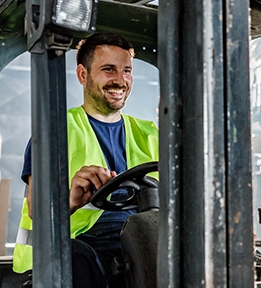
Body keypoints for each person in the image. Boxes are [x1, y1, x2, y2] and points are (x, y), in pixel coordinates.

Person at [12, 33, 159, 287]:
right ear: (83, 75)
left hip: (144, 240)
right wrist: (71, 199)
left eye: (126, 71)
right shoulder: (56, 131)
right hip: (86, 246)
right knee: (74, 258)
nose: (120, 80)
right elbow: (37, 208)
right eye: (108, 70)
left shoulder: (151, 134)